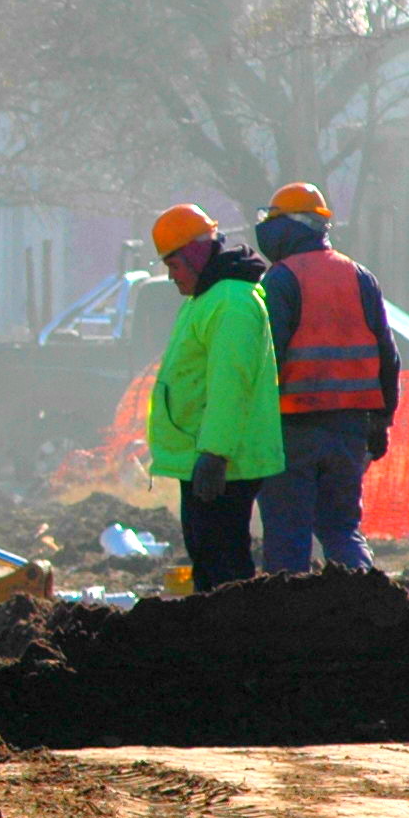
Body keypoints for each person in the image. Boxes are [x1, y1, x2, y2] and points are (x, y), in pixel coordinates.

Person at [253, 181, 402, 573]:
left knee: (288, 536)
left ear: (287, 227)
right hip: (350, 428)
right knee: (342, 530)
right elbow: (388, 356)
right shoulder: (359, 276)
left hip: (293, 429)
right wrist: (381, 423)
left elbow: (266, 363)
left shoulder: (280, 279)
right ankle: (367, 608)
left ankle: (291, 623)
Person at [144, 202, 286, 591]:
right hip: (207, 456)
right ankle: (226, 636)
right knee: (210, 558)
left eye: (174, 266)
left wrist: (215, 453)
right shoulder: (211, 298)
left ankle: (232, 639)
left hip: (222, 461)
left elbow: (230, 383)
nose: (172, 278)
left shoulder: (231, 303)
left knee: (222, 564)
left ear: (193, 255)